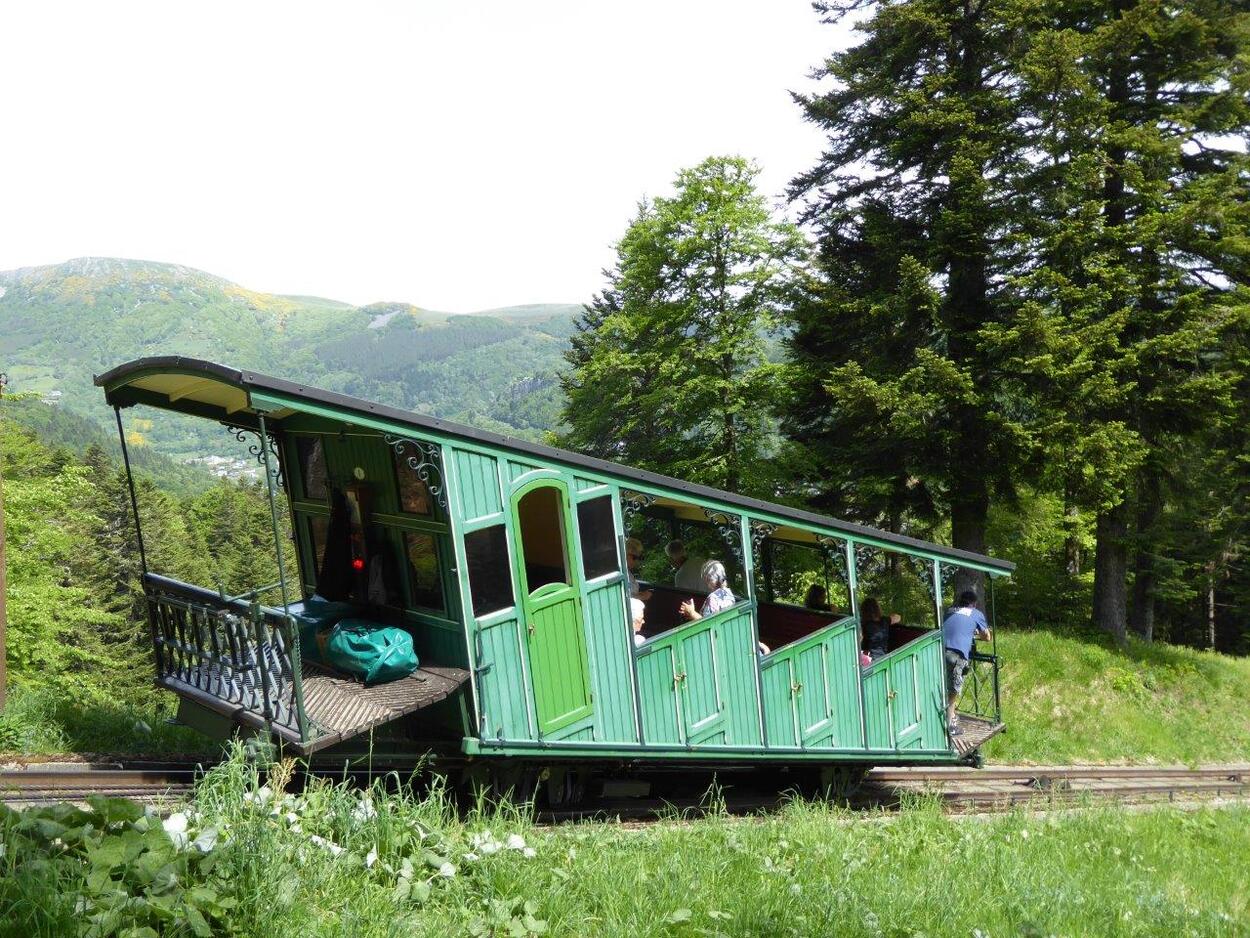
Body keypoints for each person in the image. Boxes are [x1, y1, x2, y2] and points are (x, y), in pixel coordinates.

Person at [680, 561, 770, 654]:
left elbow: (708, 626)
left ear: (708, 579)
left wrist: (692, 613)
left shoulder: (712, 599)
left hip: (723, 648)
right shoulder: (729, 594)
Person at [942, 589, 991, 736]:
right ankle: (951, 726)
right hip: (956, 654)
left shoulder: (949, 611)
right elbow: (987, 637)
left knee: (942, 686)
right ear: (974, 604)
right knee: (953, 691)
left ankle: (946, 717)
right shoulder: (976, 614)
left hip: (938, 650)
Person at [625, 537, 652, 602]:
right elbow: (624, 597)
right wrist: (641, 596)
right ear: (625, 554)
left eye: (638, 558)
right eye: (634, 557)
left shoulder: (628, 573)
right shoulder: (621, 575)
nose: (636, 561)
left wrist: (641, 594)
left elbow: (632, 593)